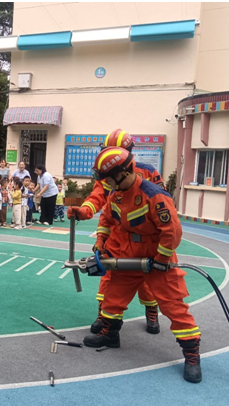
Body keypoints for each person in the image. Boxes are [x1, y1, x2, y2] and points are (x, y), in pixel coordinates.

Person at [81, 147, 202, 383]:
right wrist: (101, 241)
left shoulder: (154, 195)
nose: (106, 183)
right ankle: (110, 335)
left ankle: (192, 355)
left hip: (156, 256)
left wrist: (162, 260)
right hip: (128, 254)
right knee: (113, 297)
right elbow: (106, 218)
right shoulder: (115, 193)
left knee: (173, 306)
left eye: (108, 178)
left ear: (122, 173)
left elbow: (172, 232)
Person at [68, 129, 164, 335]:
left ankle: (151, 310)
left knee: (148, 277)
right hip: (117, 237)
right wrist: (84, 211)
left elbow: (162, 202)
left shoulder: (148, 172)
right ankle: (105, 317)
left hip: (146, 239)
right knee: (109, 276)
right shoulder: (106, 171)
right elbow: (98, 197)